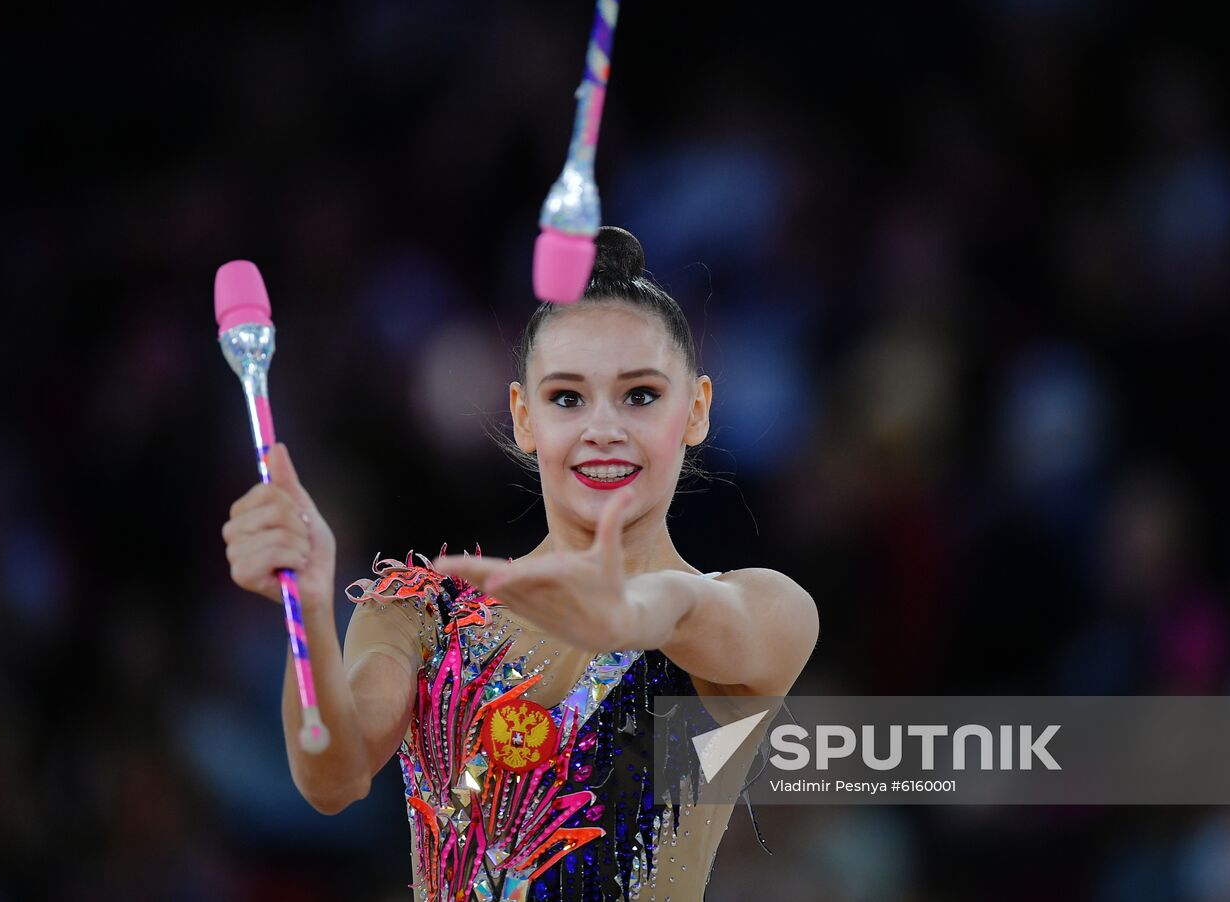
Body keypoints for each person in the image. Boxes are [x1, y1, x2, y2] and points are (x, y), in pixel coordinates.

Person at [222, 227, 820, 901]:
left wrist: (631, 610)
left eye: (641, 395)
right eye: (567, 397)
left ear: (697, 410)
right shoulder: (421, 613)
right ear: (524, 417)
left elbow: (696, 612)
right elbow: (333, 778)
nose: (604, 428)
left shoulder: (765, 610)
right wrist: (305, 607)